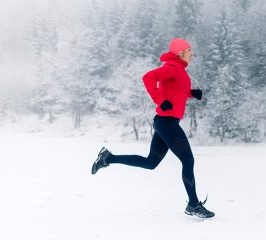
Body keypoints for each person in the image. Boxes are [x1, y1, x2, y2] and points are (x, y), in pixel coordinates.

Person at [91, 38, 215, 218]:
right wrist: (159, 100)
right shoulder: (171, 67)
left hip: (165, 122)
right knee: (188, 161)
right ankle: (193, 205)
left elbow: (175, 91)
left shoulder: (178, 69)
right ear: (180, 53)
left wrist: (191, 94)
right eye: (189, 50)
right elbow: (148, 77)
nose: (192, 53)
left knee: (151, 163)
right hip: (167, 123)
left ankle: (108, 158)